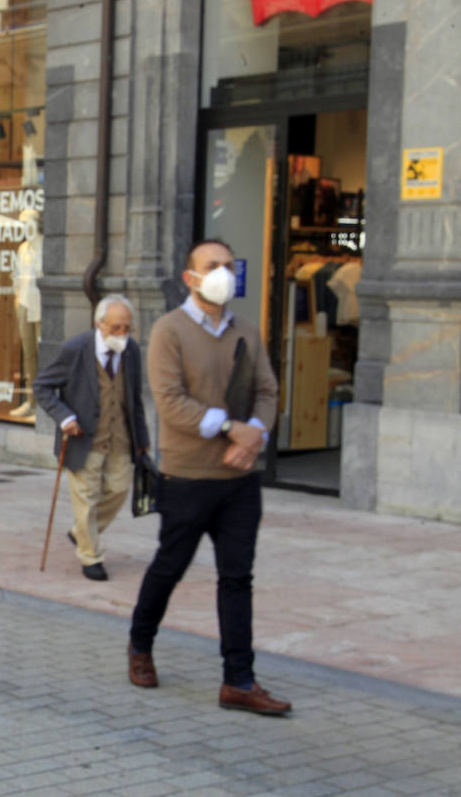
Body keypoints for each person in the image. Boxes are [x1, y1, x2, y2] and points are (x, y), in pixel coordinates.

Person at [126, 239, 290, 716]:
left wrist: (254, 435)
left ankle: (239, 679)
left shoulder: (247, 331)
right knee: (170, 567)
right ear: (190, 278)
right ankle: (140, 645)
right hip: (188, 476)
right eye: (211, 266)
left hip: (240, 478)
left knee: (237, 577)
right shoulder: (168, 331)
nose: (223, 273)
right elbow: (171, 402)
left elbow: (267, 389)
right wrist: (230, 428)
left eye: (227, 265)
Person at [34, 294, 149, 581]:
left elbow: (134, 399)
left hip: (121, 438)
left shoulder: (131, 351)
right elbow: (42, 387)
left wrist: (143, 439)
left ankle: (80, 533)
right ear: (99, 324)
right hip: (84, 439)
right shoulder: (75, 349)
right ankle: (91, 556)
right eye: (115, 328)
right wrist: (65, 417)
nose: (122, 334)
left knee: (119, 490)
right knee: (85, 499)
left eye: (127, 327)